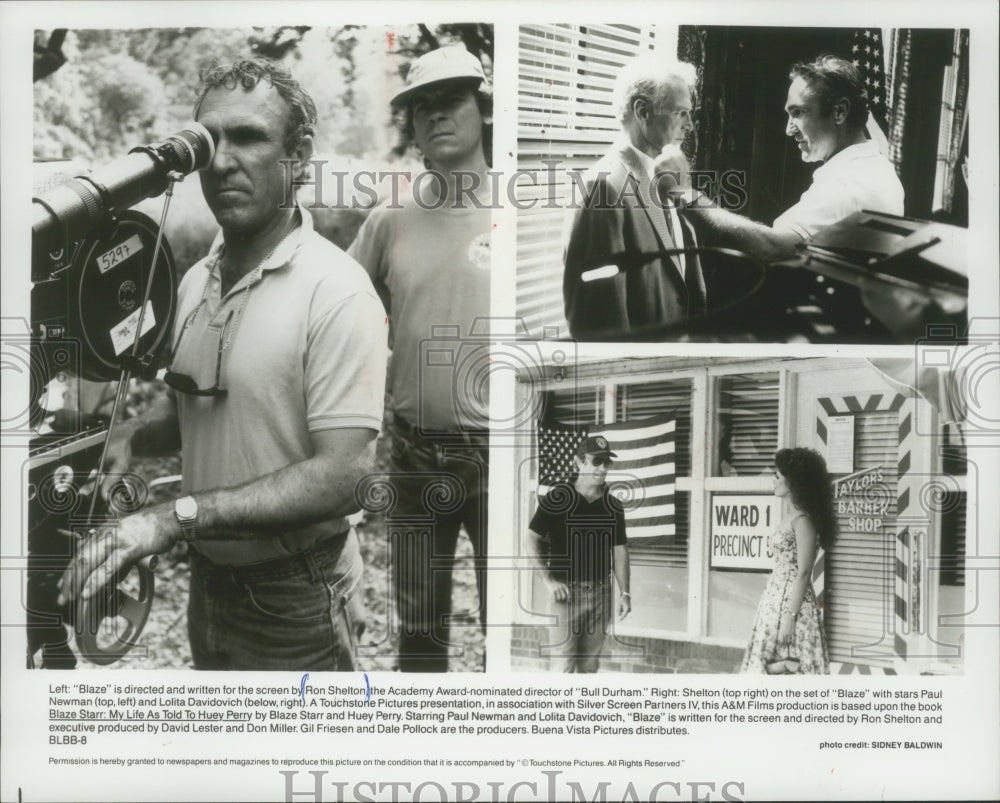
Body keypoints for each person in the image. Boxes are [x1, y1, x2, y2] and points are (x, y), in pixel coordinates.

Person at [57, 58, 389, 670]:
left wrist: (173, 519)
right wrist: (132, 435)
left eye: (249, 137)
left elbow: (343, 475)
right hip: (210, 582)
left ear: (299, 156)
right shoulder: (194, 281)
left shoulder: (338, 292)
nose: (223, 161)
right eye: (210, 140)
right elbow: (193, 408)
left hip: (297, 595)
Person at [348, 45, 491, 672]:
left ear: (483, 108)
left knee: (508, 632)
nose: (436, 115)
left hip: (502, 451)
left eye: (451, 99)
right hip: (415, 452)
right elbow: (336, 313)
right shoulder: (390, 219)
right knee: (420, 635)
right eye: (421, 105)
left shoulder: (525, 211)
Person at [674, 55, 905, 263]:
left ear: (839, 111)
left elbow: (771, 249)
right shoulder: (877, 168)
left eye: (798, 113)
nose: (788, 130)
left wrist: (684, 194)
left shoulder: (847, 184)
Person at [563, 54, 705, 340]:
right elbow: (600, 324)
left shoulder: (668, 176)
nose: (690, 125)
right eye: (680, 113)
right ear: (642, 111)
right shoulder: (603, 187)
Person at [526, 436, 631, 673]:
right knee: (563, 666)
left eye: (607, 462)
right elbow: (530, 539)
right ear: (579, 462)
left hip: (601, 594)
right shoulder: (558, 497)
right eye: (597, 461)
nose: (603, 468)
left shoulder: (613, 505)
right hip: (566, 595)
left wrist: (625, 592)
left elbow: (619, 549)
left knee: (589, 666)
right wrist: (548, 580)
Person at [741, 448, 836, 674]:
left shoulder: (803, 522)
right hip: (773, 600)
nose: (773, 481)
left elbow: (804, 571)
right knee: (767, 665)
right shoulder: (789, 517)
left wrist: (790, 617)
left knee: (792, 666)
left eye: (777, 476)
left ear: (793, 482)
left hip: (794, 606)